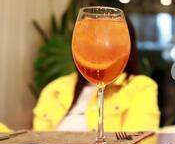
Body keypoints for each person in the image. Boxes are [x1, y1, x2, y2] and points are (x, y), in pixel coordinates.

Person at [1, 17, 160, 133]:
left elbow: (138, 143)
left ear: (127, 46)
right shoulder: (55, 88)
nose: (100, 44)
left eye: (108, 40)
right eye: (91, 38)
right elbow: (36, 143)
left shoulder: (141, 87)